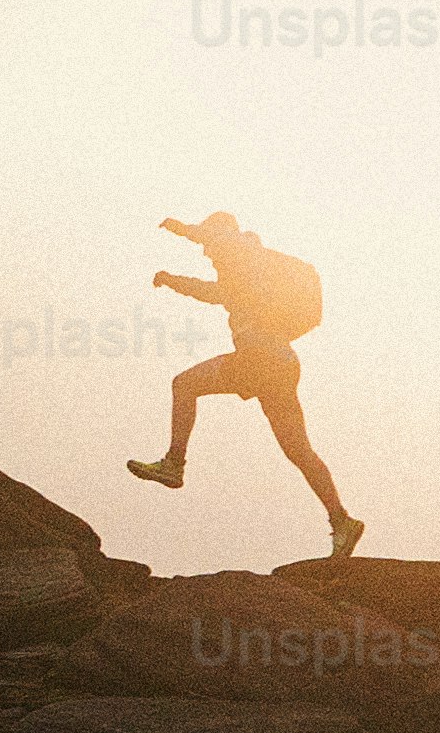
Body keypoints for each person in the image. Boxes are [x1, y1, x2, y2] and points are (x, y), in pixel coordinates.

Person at [121, 209, 358, 556]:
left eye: (209, 244)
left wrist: (181, 240)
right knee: (299, 451)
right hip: (281, 363)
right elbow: (218, 286)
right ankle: (342, 521)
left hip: (258, 360)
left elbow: (218, 264)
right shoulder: (253, 270)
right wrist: (179, 259)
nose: (208, 253)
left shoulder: (239, 251)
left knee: (184, 385)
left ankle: (174, 464)